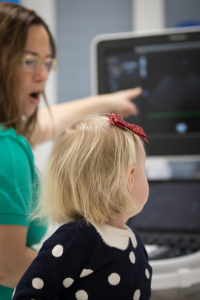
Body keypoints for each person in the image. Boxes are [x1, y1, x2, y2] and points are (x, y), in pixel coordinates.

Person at [0, 2, 142, 299]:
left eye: (47, 62)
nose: (42, 75)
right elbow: (9, 268)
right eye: (29, 61)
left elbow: (42, 125)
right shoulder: (7, 150)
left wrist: (105, 102)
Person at [13, 113, 152, 300]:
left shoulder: (135, 241)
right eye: (144, 169)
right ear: (130, 177)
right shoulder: (73, 241)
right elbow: (29, 295)